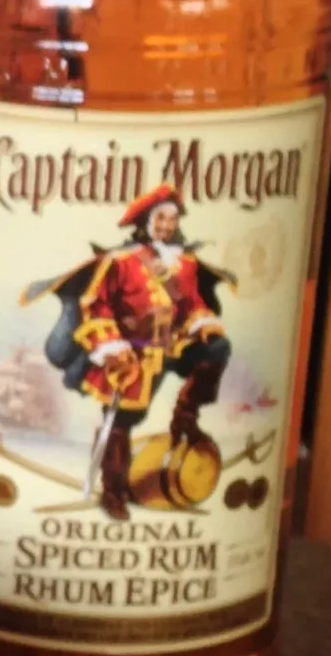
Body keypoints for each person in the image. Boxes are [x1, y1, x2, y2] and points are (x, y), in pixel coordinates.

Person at [35, 183, 232, 521]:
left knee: (217, 347)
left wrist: (202, 323)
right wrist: (113, 347)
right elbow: (96, 306)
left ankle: (185, 417)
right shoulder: (121, 262)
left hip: (171, 345)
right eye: (161, 218)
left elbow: (192, 302)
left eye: (172, 219)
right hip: (131, 354)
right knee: (121, 423)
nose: (167, 226)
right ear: (145, 221)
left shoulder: (184, 264)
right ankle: (113, 491)